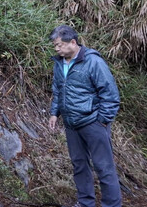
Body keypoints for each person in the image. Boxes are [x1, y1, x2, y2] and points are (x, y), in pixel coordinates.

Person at [48, 25, 122, 207]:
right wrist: (54, 113)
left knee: (104, 167)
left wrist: (102, 121)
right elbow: (58, 89)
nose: (56, 49)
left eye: (59, 45)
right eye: (55, 46)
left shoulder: (93, 62)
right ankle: (85, 203)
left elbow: (110, 95)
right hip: (71, 124)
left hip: (93, 122)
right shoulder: (59, 63)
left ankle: (111, 204)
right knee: (79, 165)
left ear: (72, 42)